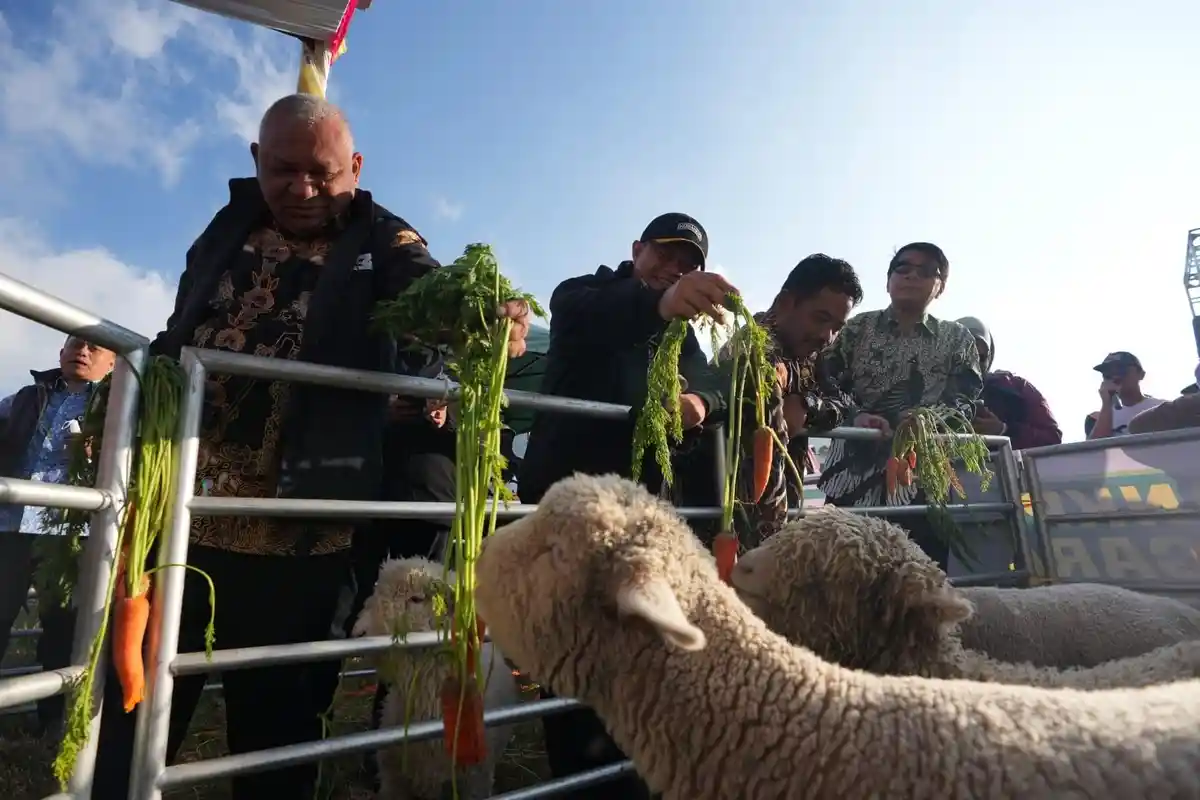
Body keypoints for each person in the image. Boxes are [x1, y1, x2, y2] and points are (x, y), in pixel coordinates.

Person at [92, 94, 530, 799]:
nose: (301, 189)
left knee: (278, 729)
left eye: (321, 174)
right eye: (283, 170)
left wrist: (481, 314)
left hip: (300, 529)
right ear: (257, 162)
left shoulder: (384, 238)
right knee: (133, 710)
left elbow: (428, 284)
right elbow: (183, 322)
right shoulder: (225, 227)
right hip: (182, 514)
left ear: (354, 167)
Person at [519, 212, 733, 800]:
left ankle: (626, 768)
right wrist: (662, 305)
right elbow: (597, 318)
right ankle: (576, 779)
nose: (676, 269)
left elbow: (714, 383)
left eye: (688, 263)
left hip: (640, 515)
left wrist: (696, 402)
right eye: (666, 254)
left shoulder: (681, 333)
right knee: (572, 648)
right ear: (637, 249)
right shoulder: (582, 295)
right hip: (567, 508)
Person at [816, 242, 981, 571]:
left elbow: (966, 400)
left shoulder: (958, 339)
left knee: (920, 573)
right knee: (845, 565)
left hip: (923, 474)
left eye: (925, 271)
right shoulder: (854, 329)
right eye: (903, 268)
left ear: (941, 286)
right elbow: (823, 381)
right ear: (888, 280)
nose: (911, 276)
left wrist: (927, 420)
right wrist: (854, 416)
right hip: (852, 469)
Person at [0, 335, 114, 736]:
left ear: (114, 363)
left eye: (94, 347)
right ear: (60, 352)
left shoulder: (118, 405)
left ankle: (52, 722)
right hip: (10, 524)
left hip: (69, 532)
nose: (82, 351)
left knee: (62, 631)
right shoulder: (27, 397)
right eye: (74, 344)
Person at [716, 254, 862, 548]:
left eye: (837, 327)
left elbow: (845, 401)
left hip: (780, 523)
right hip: (734, 524)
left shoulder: (810, 352)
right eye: (821, 319)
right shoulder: (753, 350)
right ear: (785, 303)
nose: (827, 336)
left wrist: (808, 405)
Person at [955, 317, 1062, 450]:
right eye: (966, 355)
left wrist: (1003, 431)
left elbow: (1052, 438)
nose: (973, 364)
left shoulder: (1016, 389)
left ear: (989, 357)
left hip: (1008, 468)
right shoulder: (931, 394)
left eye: (980, 357)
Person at [1086, 352, 1165, 439]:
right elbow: (1096, 448)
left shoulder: (1162, 408)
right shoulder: (1096, 418)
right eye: (1107, 374)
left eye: (1121, 370)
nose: (1115, 377)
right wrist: (1106, 404)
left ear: (1141, 374)